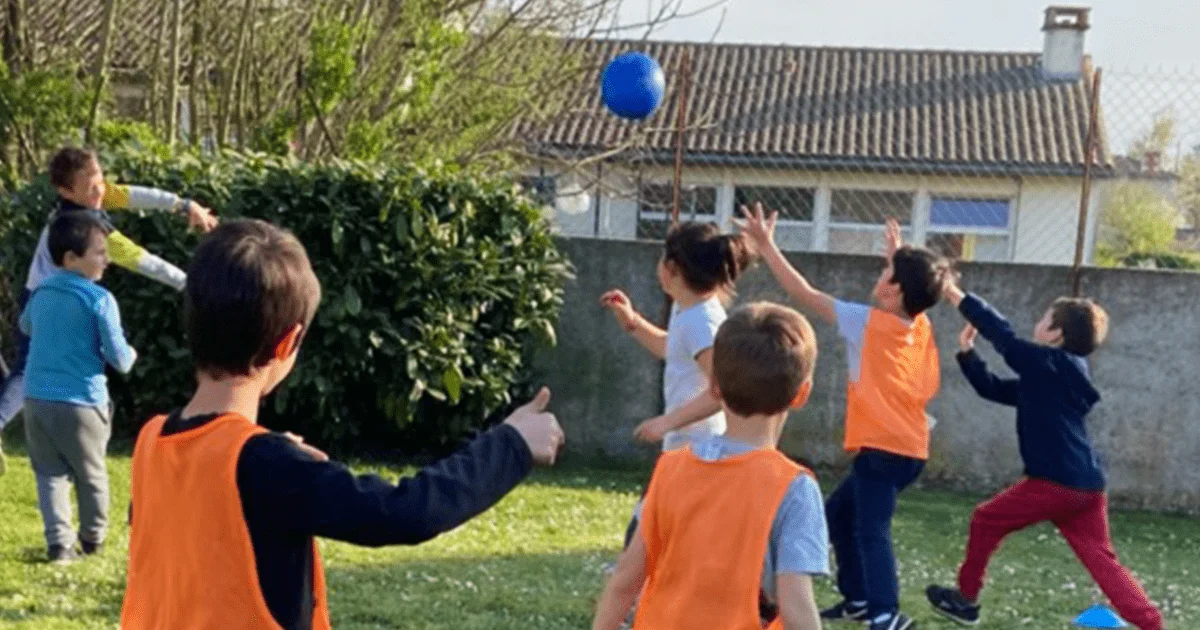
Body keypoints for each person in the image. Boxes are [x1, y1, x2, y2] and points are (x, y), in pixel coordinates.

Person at [119, 219, 565, 630]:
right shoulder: (268, 466)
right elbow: (405, 513)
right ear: (288, 342)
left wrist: (268, 454)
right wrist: (513, 444)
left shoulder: (152, 442)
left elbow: (205, 515)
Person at [738, 203, 949, 630]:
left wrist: (767, 246)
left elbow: (803, 293)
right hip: (908, 451)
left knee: (872, 531)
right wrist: (898, 256)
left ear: (893, 290)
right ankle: (857, 599)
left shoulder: (865, 323)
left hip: (883, 451)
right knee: (838, 516)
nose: (881, 276)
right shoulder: (919, 326)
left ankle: (886, 612)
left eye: (887, 273)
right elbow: (912, 288)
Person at [926, 282, 1165, 630]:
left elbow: (1004, 337)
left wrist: (957, 296)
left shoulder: (1050, 363)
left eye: (1044, 319)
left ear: (1056, 334)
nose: (1037, 324)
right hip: (1087, 485)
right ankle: (1151, 624)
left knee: (985, 519)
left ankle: (966, 600)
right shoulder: (1056, 373)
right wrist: (967, 354)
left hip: (1057, 482)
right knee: (1102, 560)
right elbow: (992, 388)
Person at [592, 302, 827, 630]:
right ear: (802, 394)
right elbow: (796, 605)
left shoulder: (670, 468)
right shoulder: (795, 488)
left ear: (715, 387)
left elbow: (625, 580)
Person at [0, 147, 217, 471]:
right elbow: (136, 257)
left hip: (65, 311)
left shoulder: (95, 198)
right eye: (90, 185)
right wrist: (187, 282)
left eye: (100, 178)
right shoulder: (78, 224)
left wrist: (183, 205)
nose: (100, 189)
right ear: (65, 191)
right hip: (44, 308)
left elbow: (132, 195)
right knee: (27, 377)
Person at [600, 221, 754, 546]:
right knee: (652, 537)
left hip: (700, 450)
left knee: (645, 538)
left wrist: (667, 421)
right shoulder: (690, 309)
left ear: (670, 268)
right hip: (686, 449)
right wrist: (633, 322)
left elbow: (723, 389)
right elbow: (674, 350)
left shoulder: (703, 321)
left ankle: (635, 593)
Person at [21, 212, 137, 563]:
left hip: (36, 398)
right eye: (100, 252)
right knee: (91, 474)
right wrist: (131, 354)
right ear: (71, 258)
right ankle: (92, 537)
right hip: (82, 402)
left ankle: (59, 544)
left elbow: (26, 327)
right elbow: (120, 357)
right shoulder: (99, 299)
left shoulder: (40, 293)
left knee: (49, 473)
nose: (107, 259)